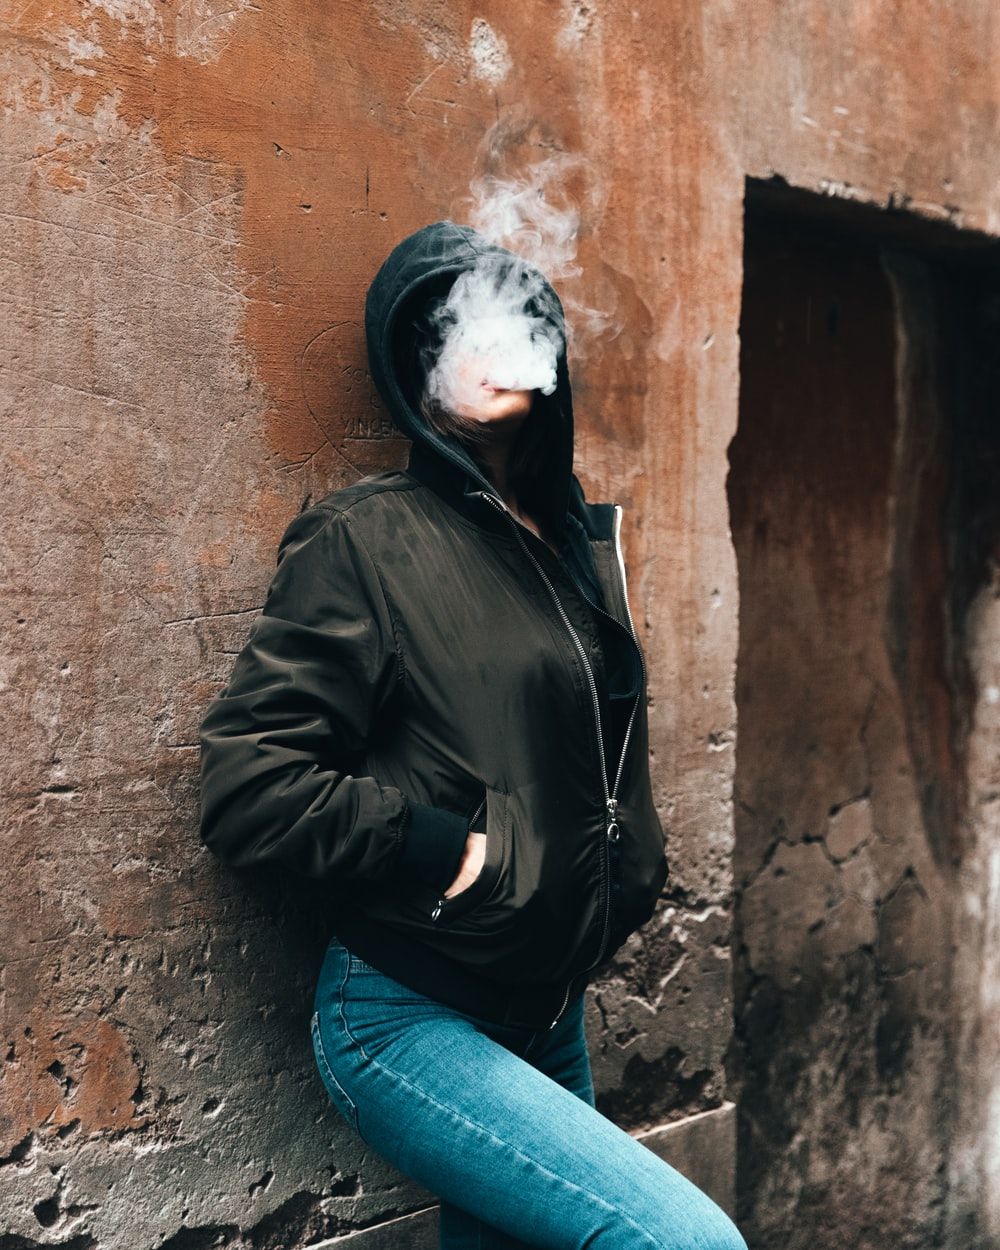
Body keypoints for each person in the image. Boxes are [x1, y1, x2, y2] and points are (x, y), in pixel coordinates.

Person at [198, 220, 748, 1250]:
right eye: (455, 325)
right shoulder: (365, 536)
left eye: (511, 317)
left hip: (548, 1011)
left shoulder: (576, 545)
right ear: (416, 370)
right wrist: (441, 844)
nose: (488, 346)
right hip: (408, 1011)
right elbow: (247, 784)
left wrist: (631, 865)